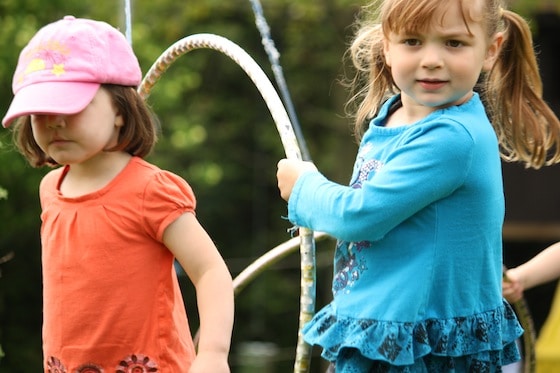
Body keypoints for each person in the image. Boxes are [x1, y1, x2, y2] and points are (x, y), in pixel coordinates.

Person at [277, 0, 560, 371]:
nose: (431, 59)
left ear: (491, 50)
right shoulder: (390, 116)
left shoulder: (452, 137)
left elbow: (361, 216)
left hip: (422, 348)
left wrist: (304, 188)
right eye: (412, 41)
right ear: (386, 46)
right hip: (379, 328)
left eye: (454, 43)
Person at [1, 16, 234, 372]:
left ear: (120, 111)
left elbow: (209, 271)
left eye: (70, 106)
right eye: (40, 112)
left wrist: (213, 355)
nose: (54, 121)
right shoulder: (50, 189)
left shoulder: (149, 190)